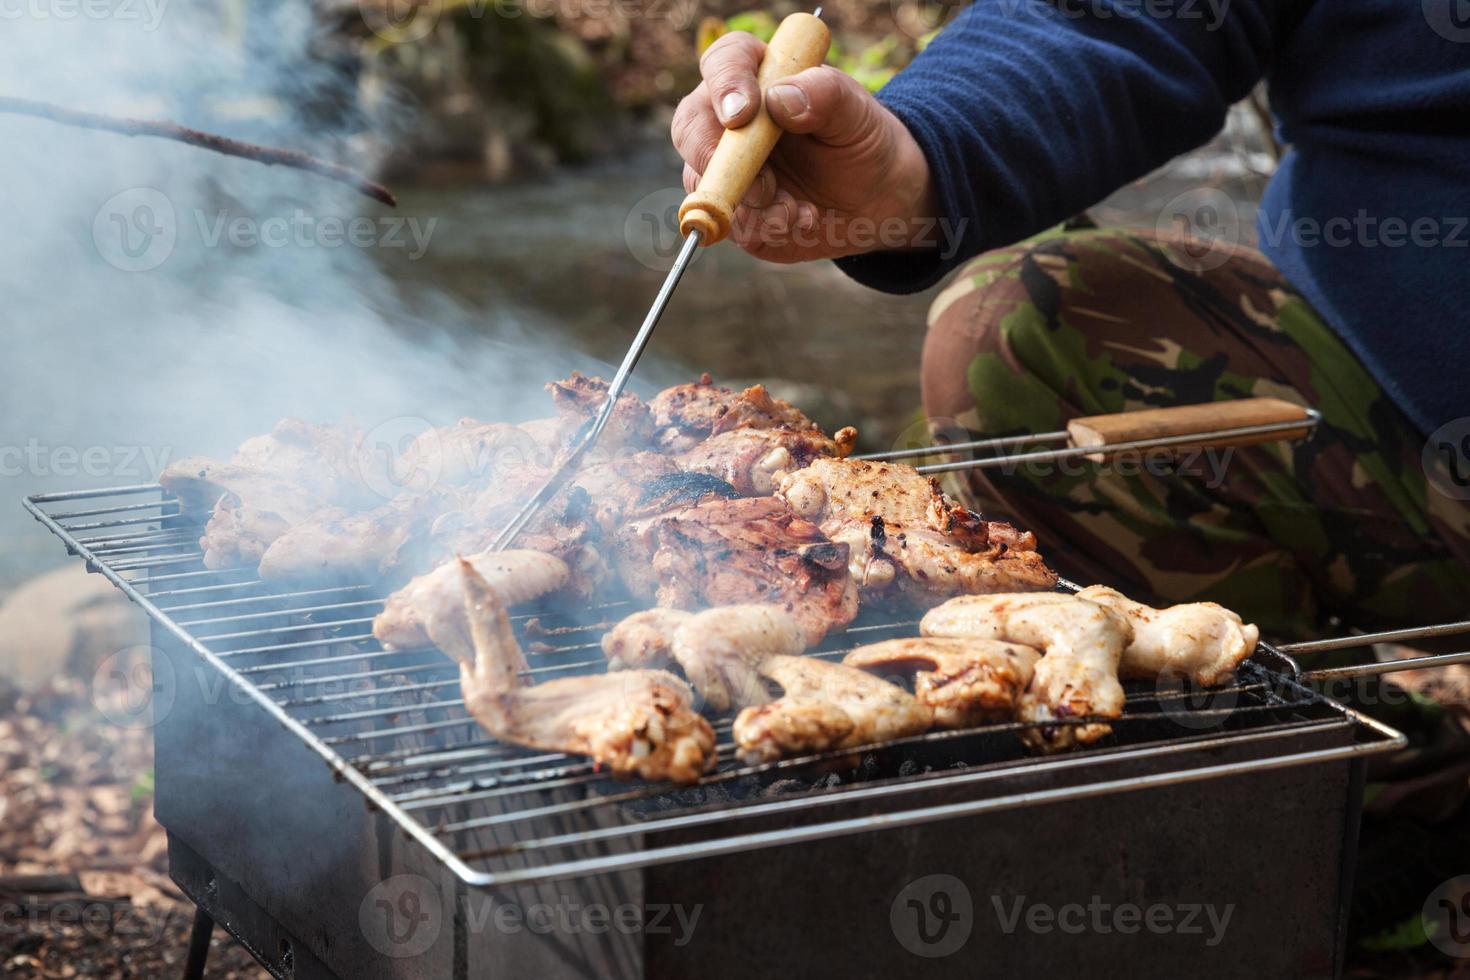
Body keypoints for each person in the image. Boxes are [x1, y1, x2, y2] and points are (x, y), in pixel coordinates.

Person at [671, 1, 1470, 637]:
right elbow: (1116, 15)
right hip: (1373, 412)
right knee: (1016, 328)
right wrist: (913, 157)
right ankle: (1371, 774)